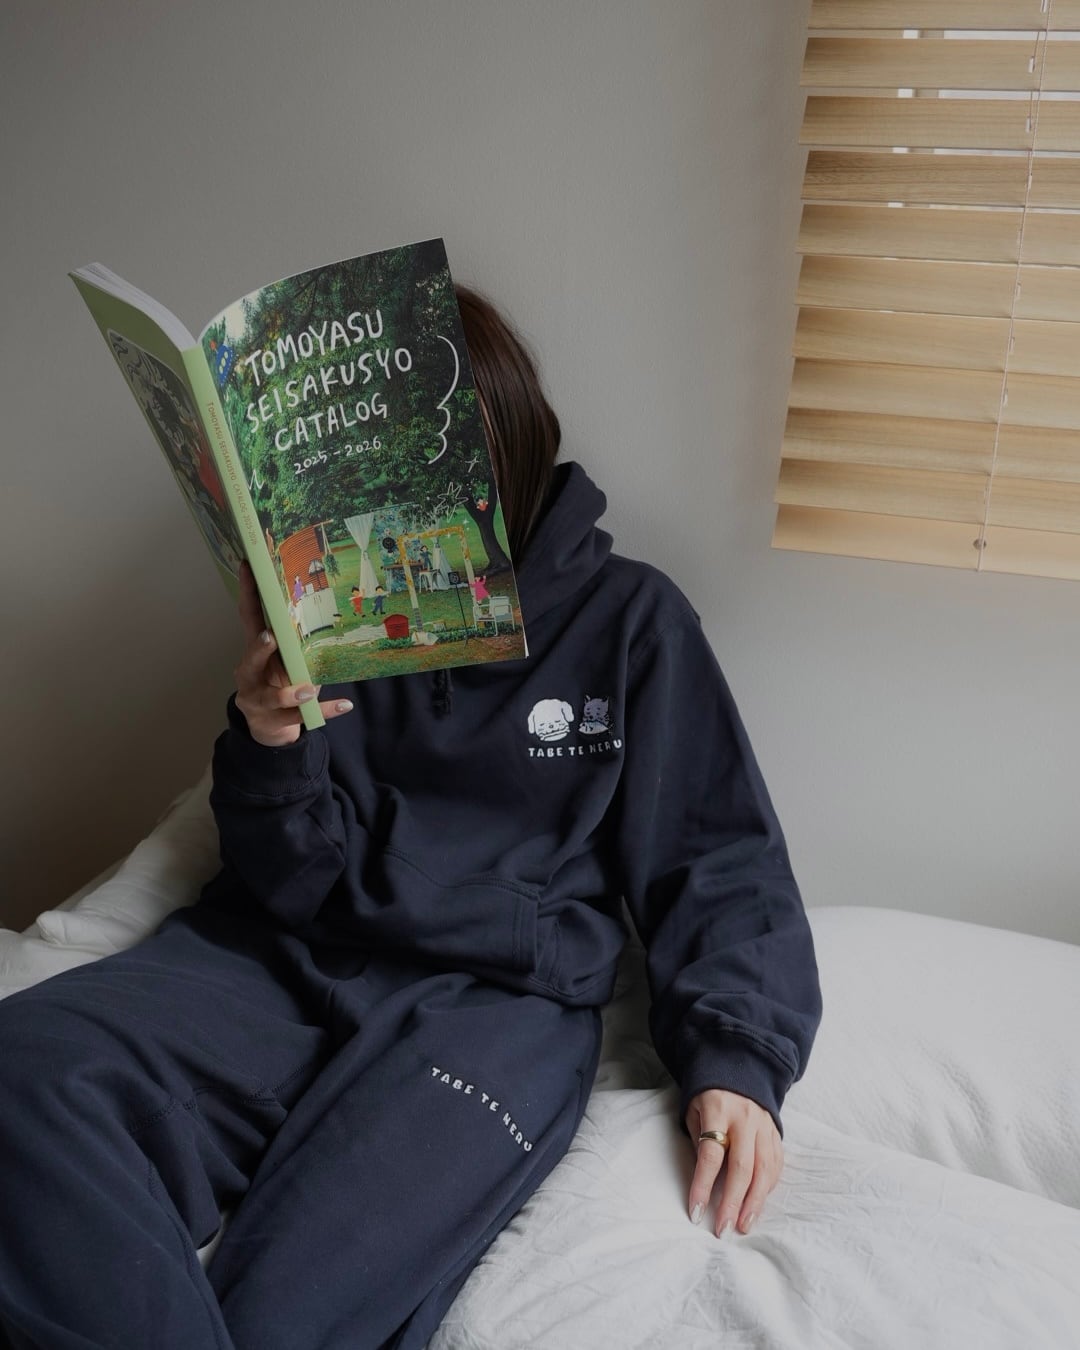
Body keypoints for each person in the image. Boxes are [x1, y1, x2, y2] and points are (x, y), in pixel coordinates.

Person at [0, 287, 821, 1350]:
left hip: (495, 1002)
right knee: (23, 1073)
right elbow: (288, 869)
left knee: (299, 1308)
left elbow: (716, 853)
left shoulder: (633, 618)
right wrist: (270, 740)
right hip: (275, 956)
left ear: (500, 443)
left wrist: (737, 1060)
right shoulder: (328, 599)